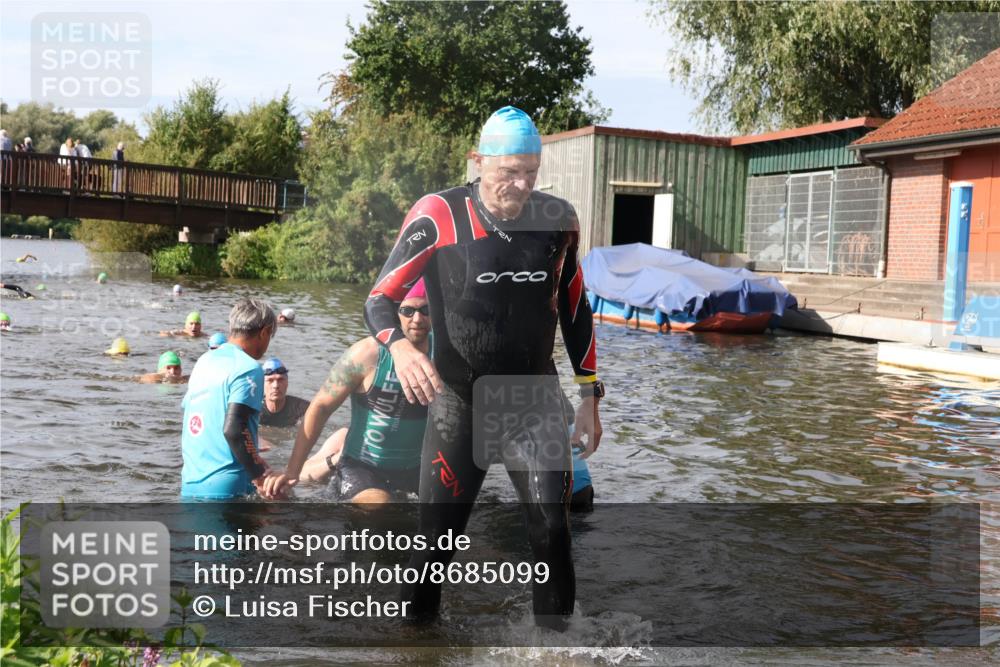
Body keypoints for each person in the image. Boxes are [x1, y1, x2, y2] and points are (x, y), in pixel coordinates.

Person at [271, 107, 603, 628]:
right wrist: (399, 348)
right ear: (480, 161)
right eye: (508, 172)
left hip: (529, 400)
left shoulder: (557, 218)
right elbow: (380, 298)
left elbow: (576, 306)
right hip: (459, 403)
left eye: (530, 173)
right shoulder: (439, 213)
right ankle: (414, 644)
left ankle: (556, 650)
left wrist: (590, 396)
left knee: (553, 529)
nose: (519, 185)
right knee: (435, 546)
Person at [273, 280, 432, 503]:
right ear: (394, 313)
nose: (417, 319)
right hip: (363, 468)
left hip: (415, 468)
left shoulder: (445, 354)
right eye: (407, 311)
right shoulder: (367, 353)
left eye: (426, 310)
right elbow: (321, 407)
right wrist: (292, 472)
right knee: (380, 505)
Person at [180, 297, 279, 499]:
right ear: (265, 331)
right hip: (229, 487)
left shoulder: (203, 361)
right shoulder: (248, 368)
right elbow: (234, 429)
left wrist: (256, 458)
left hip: (190, 483)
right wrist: (260, 475)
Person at [259, 357, 311, 427]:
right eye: (270, 380)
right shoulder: (252, 411)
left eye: (280, 380)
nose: (275, 386)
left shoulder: (305, 409)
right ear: (262, 384)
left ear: (287, 383)